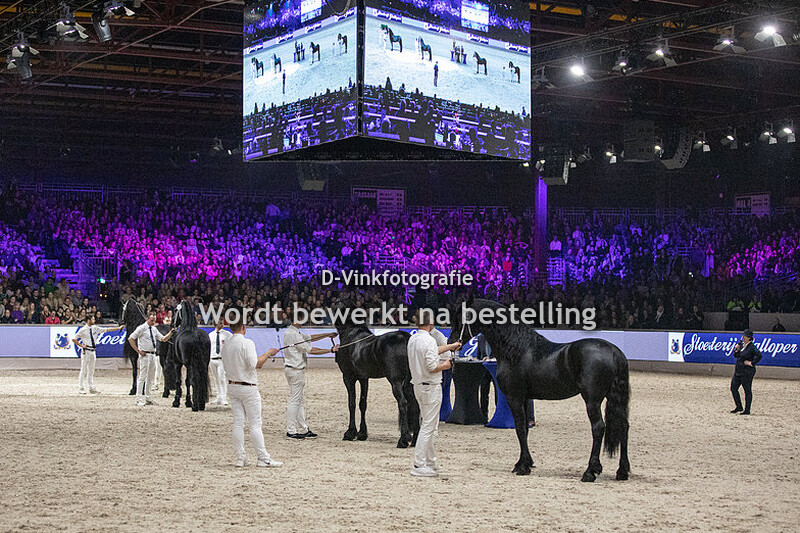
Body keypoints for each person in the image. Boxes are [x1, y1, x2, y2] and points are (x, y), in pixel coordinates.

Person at [221, 316, 282, 468]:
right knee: (255, 424)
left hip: (232, 386)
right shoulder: (247, 343)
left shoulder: (226, 344)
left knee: (238, 422)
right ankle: (263, 458)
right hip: (248, 387)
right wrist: (268, 353)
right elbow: (256, 364)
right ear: (243, 327)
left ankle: (240, 458)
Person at [407, 311, 461, 477]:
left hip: (418, 385)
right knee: (428, 427)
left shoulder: (413, 338)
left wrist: (450, 346)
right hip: (430, 386)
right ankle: (419, 464)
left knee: (428, 424)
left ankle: (431, 462)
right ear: (431, 323)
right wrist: (445, 366)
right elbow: (432, 366)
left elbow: (432, 350)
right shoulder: (429, 340)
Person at [282, 321, 336, 439]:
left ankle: (303, 428)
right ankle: (291, 430)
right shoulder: (294, 334)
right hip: (296, 370)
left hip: (292, 370)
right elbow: (311, 350)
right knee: (295, 400)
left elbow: (310, 338)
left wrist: (328, 334)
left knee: (299, 400)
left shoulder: (293, 332)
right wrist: (330, 350)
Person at [129, 312, 175, 407]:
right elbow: (131, 338)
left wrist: (171, 332)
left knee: (150, 378)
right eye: (151, 320)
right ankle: (139, 399)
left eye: (154, 320)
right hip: (145, 354)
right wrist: (138, 351)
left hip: (153, 354)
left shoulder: (154, 329)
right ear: (147, 319)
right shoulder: (141, 328)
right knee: (142, 377)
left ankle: (148, 398)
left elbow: (163, 339)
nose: (153, 322)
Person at [72, 316, 124, 394]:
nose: (94, 320)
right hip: (86, 351)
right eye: (92, 319)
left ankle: (91, 387)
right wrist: (81, 345)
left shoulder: (95, 328)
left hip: (93, 350)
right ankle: (81, 387)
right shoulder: (83, 330)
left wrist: (118, 328)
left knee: (91, 370)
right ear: (88, 320)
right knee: (84, 370)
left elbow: (107, 329)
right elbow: (74, 338)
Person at [730, 329, 762, 415]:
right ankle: (739, 406)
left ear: (749, 338)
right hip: (738, 370)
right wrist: (736, 350)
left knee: (747, 390)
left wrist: (752, 363)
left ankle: (747, 409)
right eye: (743, 336)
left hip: (747, 371)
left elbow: (759, 355)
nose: (743, 337)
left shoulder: (752, 347)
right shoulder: (741, 345)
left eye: (745, 336)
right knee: (733, 388)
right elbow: (736, 356)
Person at [209, 319, 232, 405]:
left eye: (222, 323)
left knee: (222, 378)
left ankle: (223, 397)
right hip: (212, 359)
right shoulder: (210, 335)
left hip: (222, 359)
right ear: (215, 324)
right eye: (220, 323)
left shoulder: (227, 334)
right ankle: (218, 397)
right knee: (216, 378)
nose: (222, 324)